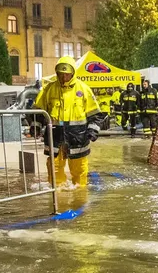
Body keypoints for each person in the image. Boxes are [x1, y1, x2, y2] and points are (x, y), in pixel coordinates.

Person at [33, 56, 105, 188]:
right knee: (54, 166)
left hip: (78, 136)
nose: (64, 77)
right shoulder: (48, 89)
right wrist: (35, 127)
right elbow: (38, 112)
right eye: (61, 74)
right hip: (55, 135)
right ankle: (57, 192)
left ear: (73, 73)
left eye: (67, 74)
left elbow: (95, 114)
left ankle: (80, 192)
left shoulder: (83, 89)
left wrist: (93, 131)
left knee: (79, 168)